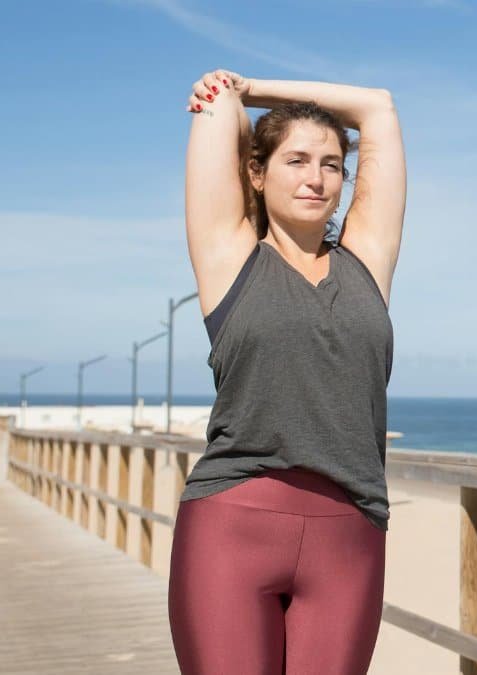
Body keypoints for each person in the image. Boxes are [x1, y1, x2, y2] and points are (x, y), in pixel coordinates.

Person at [167, 69, 405, 675]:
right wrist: (232, 92)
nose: (316, 177)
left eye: (330, 164)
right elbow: (219, 106)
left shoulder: (366, 264)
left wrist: (262, 89)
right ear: (257, 171)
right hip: (231, 529)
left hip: (349, 536)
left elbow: (376, 108)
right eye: (295, 159)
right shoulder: (230, 256)